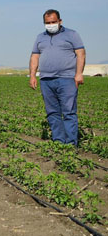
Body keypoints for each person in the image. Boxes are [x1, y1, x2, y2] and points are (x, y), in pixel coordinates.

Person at [29, 9, 85, 146]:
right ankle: (59, 142)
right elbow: (35, 56)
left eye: (53, 22)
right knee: (52, 113)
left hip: (67, 79)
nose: (51, 24)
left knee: (69, 112)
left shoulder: (72, 34)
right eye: (48, 23)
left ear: (60, 21)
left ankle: (71, 144)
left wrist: (78, 73)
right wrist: (32, 75)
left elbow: (81, 54)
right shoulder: (40, 37)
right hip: (46, 80)